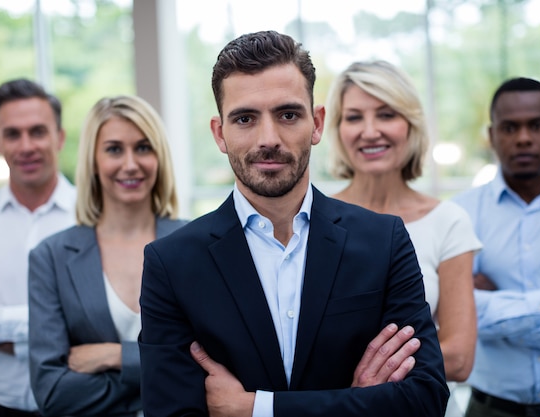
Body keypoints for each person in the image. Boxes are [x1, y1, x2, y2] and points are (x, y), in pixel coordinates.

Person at [139, 30, 448, 417]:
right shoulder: (172, 263)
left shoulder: (384, 241)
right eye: (245, 118)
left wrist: (255, 408)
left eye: (287, 114)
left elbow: (425, 398)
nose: (269, 139)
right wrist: (354, 402)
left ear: (317, 124)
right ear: (220, 133)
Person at [325, 60, 481, 417]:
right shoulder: (310, 216)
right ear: (335, 129)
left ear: (410, 124)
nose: (369, 131)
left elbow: (458, 357)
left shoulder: (448, 221)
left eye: (386, 114)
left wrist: (365, 374)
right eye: (353, 117)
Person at [27, 95, 187, 417]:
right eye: (114, 149)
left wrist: (115, 356)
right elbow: (53, 392)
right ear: (93, 161)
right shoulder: (50, 257)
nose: (130, 164)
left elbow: (216, 367)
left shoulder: (194, 243)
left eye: (143, 147)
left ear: (159, 157)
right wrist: (163, 381)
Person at [453, 77, 540, 417]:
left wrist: (498, 313)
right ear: (492, 135)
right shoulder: (459, 214)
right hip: (489, 409)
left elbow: (476, 316)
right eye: (510, 127)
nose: (523, 138)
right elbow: (455, 314)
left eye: (537, 126)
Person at [0, 78, 75, 417]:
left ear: (60, 138)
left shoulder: (94, 216)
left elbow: (106, 330)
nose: (26, 145)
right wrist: (54, 331)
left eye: (38, 131)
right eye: (12, 134)